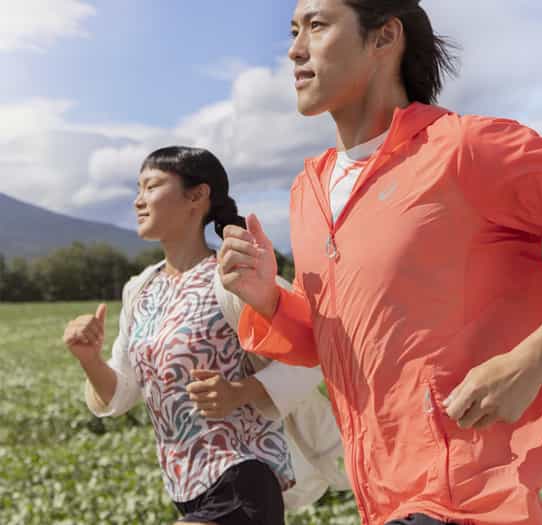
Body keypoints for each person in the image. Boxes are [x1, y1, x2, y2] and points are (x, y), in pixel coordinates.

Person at [217, 1, 542, 524]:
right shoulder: (308, 191)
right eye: (293, 31)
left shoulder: (464, 149)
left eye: (316, 26)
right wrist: (268, 299)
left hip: (473, 500)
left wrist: (533, 359)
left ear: (384, 37)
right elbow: (336, 340)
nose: (295, 50)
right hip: (383, 500)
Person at [62, 146, 347, 525]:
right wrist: (89, 359)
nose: (138, 200)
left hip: (244, 475)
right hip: (185, 487)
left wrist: (240, 391)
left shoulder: (235, 278)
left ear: (197, 196)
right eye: (138, 189)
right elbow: (121, 393)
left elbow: (310, 354)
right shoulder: (140, 290)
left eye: (152, 187)